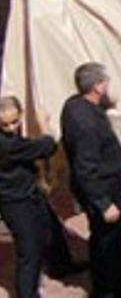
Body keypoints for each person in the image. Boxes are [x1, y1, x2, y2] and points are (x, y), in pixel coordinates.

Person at [61, 63, 121, 298]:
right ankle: (116, 290)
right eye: (106, 83)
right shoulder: (87, 124)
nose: (109, 86)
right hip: (101, 189)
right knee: (110, 242)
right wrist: (104, 203)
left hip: (97, 186)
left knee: (101, 239)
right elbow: (86, 168)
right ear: (98, 87)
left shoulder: (74, 104)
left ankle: (106, 283)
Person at [0, 97, 83, 298]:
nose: (11, 128)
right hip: (15, 202)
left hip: (30, 192)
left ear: (20, 116)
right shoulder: (6, 144)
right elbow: (47, 147)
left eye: (14, 122)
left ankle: (62, 265)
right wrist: (44, 123)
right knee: (29, 251)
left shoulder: (11, 139)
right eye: (5, 124)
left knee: (52, 230)